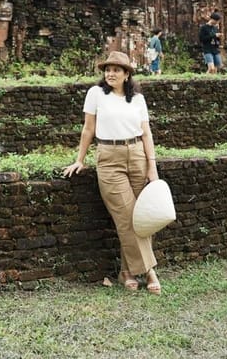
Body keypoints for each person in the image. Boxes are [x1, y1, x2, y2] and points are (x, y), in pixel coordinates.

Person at [62, 51, 161, 295]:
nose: (110, 73)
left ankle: (127, 272)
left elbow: (146, 133)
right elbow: (88, 129)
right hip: (109, 157)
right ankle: (149, 271)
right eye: (107, 69)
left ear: (127, 74)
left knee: (142, 218)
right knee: (126, 217)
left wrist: (152, 166)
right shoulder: (96, 94)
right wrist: (79, 160)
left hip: (137, 153)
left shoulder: (137, 99)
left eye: (116, 69)